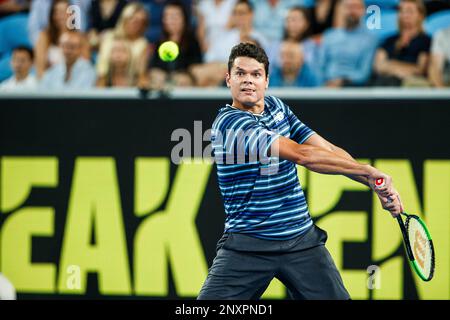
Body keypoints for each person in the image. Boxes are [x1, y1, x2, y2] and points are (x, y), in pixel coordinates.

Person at [197, 42, 403, 300]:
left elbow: (325, 148)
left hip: (301, 241)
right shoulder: (230, 123)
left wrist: (372, 181)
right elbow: (303, 155)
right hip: (248, 244)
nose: (248, 81)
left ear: (267, 81)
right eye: (240, 74)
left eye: (256, 74)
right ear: (228, 79)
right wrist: (368, 171)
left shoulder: (277, 108)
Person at [319, 0, 377, 87]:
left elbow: (364, 73)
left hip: (353, 89)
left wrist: (342, 82)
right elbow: (319, 66)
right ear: (341, 10)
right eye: (348, 7)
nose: (351, 11)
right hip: (326, 86)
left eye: (356, 7)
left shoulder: (370, 39)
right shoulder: (329, 36)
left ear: (363, 11)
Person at [372, 0, 431, 87]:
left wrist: (390, 65)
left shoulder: (426, 41)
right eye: (401, 10)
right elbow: (378, 66)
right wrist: (404, 70)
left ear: (420, 15)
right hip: (384, 84)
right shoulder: (389, 40)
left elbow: (420, 69)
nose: (405, 15)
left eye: (409, 11)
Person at [148, 0, 202, 89]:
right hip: (162, 86)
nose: (170, 20)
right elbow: (154, 67)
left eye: (175, 16)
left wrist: (182, 76)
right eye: (167, 16)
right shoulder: (159, 41)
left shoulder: (192, 42)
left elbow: (195, 67)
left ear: (184, 18)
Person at [96, 2, 150, 88]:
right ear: (124, 18)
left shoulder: (142, 44)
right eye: (132, 19)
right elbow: (101, 71)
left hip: (131, 85)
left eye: (141, 21)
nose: (136, 24)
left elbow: (141, 75)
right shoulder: (108, 37)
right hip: (106, 83)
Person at [34, 0, 90, 79]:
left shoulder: (81, 37)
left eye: (65, 12)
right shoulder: (44, 36)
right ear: (52, 15)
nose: (61, 16)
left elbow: (85, 66)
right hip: (50, 84)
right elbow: (40, 69)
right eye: (57, 12)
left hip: (76, 83)